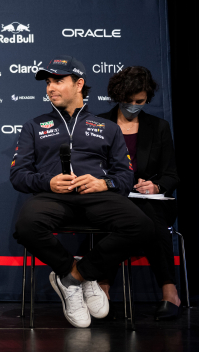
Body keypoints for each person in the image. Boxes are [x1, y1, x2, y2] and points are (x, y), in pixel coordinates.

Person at [10, 55, 155, 328]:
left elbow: (125, 176)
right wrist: (48, 182)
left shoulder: (108, 128)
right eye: (48, 82)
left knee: (143, 227)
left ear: (78, 84)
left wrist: (104, 183)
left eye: (58, 81)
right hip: (53, 197)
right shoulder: (33, 126)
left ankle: (75, 277)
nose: (50, 88)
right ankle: (74, 272)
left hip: (98, 197)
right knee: (26, 225)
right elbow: (18, 175)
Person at [98, 66, 181, 319]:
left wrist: (155, 186)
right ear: (118, 96)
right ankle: (102, 289)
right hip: (110, 198)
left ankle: (168, 291)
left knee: (147, 212)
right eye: (128, 101)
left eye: (140, 102)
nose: (133, 106)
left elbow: (171, 175)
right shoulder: (98, 124)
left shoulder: (158, 127)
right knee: (119, 213)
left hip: (150, 201)